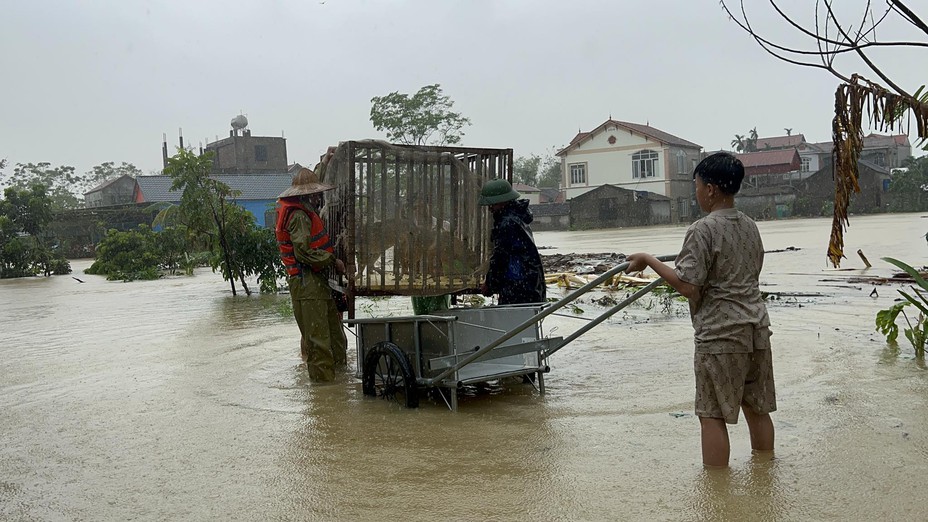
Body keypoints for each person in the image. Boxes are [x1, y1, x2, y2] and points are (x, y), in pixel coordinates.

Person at [625, 152, 776, 467]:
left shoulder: (702, 229)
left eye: (697, 186)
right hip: (757, 329)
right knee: (757, 408)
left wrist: (650, 260)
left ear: (711, 189)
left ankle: (716, 492)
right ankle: (766, 477)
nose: (696, 193)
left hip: (721, 335)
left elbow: (688, 285)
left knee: (711, 414)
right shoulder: (750, 226)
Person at [276, 167, 348, 382]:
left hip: (316, 283)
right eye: (315, 194)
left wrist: (325, 162)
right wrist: (332, 261)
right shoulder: (298, 216)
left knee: (336, 339)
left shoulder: (304, 212)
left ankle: (341, 387)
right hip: (307, 284)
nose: (318, 197)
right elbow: (303, 252)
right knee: (319, 344)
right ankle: (324, 396)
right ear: (306, 196)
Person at [478, 179, 546, 305]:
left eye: (492, 205)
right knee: (527, 322)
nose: (490, 209)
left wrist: (490, 284)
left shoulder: (507, 223)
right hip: (531, 284)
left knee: (515, 323)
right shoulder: (518, 216)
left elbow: (500, 257)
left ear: (502, 202)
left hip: (518, 287)